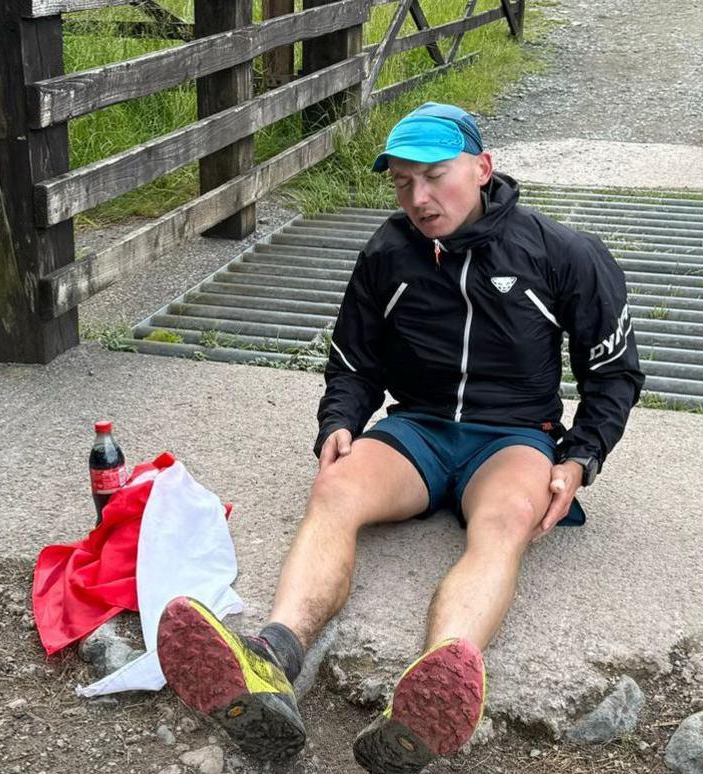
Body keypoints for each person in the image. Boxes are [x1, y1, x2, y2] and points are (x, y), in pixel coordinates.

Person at [155, 102, 644, 773]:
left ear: (482, 167)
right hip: (418, 428)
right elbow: (355, 361)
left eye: (435, 176)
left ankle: (429, 699)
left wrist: (580, 458)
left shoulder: (561, 254)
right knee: (335, 489)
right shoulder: (388, 254)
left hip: (512, 437)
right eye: (402, 182)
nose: (419, 197)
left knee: (504, 521)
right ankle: (270, 663)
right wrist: (340, 421)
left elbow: (613, 371)